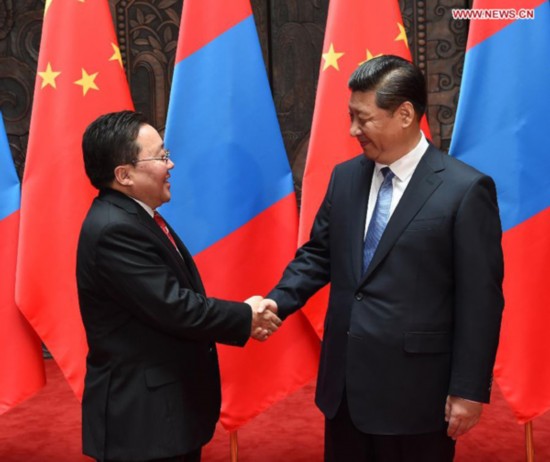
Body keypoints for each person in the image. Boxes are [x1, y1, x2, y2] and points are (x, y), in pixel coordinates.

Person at [260, 55, 504, 462]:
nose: (353, 130)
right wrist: (277, 301)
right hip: (345, 389)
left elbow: (481, 300)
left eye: (363, 118)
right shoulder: (346, 176)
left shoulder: (465, 190)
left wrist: (468, 389)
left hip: (417, 394)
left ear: (405, 114)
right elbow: (319, 255)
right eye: (350, 116)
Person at [77, 110, 280, 462]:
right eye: (160, 157)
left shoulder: (134, 217)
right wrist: (246, 316)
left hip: (163, 410)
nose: (170, 165)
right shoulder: (115, 229)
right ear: (124, 175)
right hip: (143, 420)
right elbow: (175, 307)